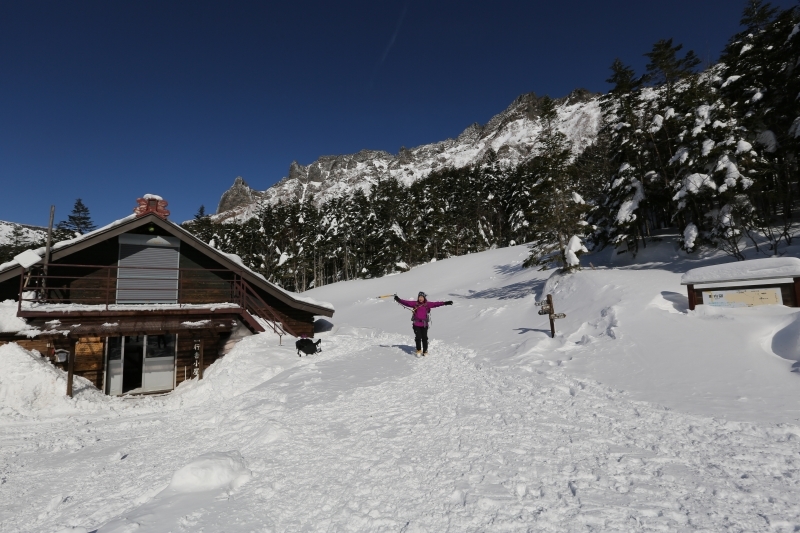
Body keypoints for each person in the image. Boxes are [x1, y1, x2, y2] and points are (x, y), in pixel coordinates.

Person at [394, 291, 453, 357]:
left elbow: (436, 304)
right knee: (418, 337)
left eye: (422, 297)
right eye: (419, 297)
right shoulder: (415, 304)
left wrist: (445, 303)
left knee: (424, 338)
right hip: (416, 324)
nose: (420, 298)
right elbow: (406, 302)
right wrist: (398, 299)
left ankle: (425, 351)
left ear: (424, 298)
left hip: (424, 325)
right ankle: (418, 350)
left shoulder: (427, 304)